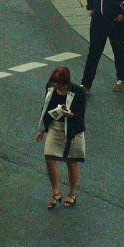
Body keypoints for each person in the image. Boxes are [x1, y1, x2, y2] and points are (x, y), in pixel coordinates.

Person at [35, 67, 86, 209]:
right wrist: (42, 129)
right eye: (54, 82)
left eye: (58, 83)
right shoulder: (50, 87)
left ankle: (71, 193)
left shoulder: (78, 92)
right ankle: (56, 192)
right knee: (49, 158)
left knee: (71, 161)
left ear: (66, 83)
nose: (55, 85)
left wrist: (71, 115)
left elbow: (80, 115)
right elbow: (46, 108)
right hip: (55, 127)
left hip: (72, 130)